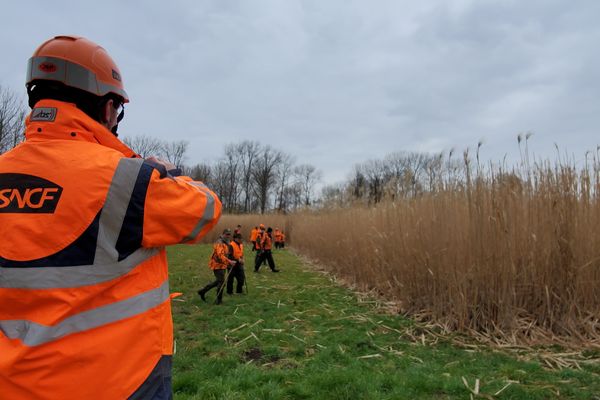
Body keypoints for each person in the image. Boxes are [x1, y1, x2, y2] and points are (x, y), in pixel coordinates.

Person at [0, 36, 222, 400]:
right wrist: (170, 173)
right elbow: (205, 210)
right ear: (107, 108)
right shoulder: (127, 180)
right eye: (117, 110)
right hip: (120, 382)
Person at [198, 229, 236, 304]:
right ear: (223, 234)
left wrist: (229, 261)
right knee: (221, 282)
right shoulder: (219, 243)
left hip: (223, 265)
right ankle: (219, 300)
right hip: (217, 265)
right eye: (227, 234)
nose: (228, 236)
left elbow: (227, 254)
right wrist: (230, 262)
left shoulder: (227, 242)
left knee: (218, 281)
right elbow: (220, 255)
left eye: (229, 234)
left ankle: (202, 291)